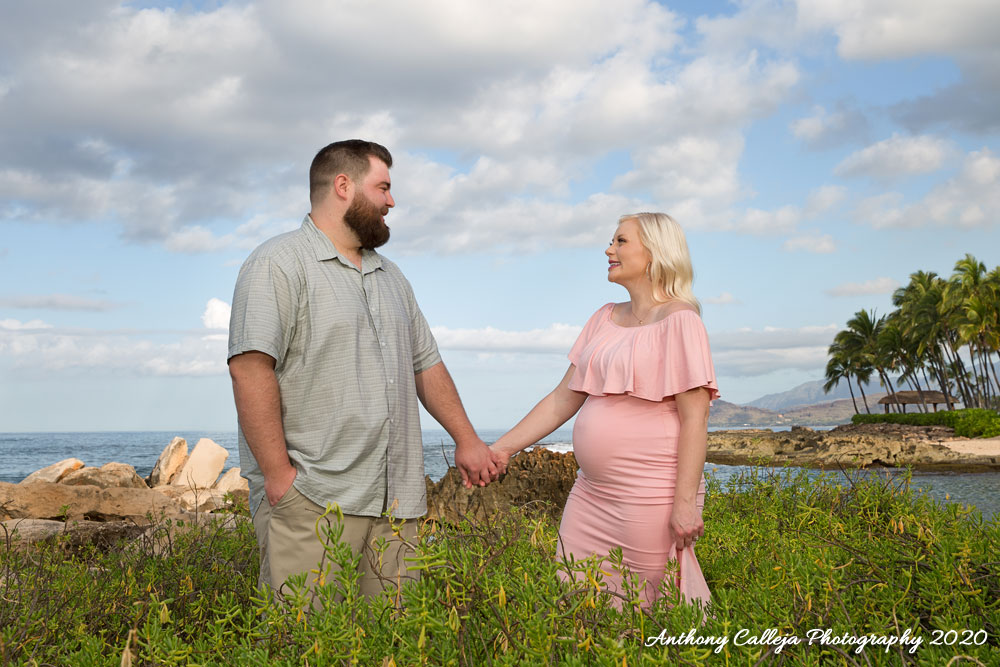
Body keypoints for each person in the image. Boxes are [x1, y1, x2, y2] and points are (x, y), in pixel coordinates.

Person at [228, 139, 497, 602]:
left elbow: (425, 364)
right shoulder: (276, 263)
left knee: (393, 642)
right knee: (302, 644)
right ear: (343, 186)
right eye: (384, 187)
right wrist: (279, 477)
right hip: (314, 498)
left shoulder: (391, 276)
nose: (392, 201)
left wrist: (467, 439)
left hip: (398, 505)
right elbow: (250, 369)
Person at [490, 212, 718, 609]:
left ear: (654, 252)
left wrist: (684, 503)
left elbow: (695, 419)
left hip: (650, 496)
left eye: (620, 241)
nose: (609, 249)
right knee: (574, 601)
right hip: (591, 496)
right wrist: (502, 448)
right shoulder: (603, 318)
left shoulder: (682, 321)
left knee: (646, 608)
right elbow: (563, 398)